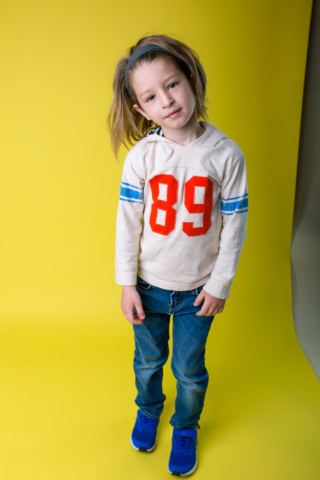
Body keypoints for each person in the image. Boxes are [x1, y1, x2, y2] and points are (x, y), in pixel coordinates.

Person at [107, 34, 248, 477]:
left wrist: (219, 284)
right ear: (140, 110)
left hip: (196, 293)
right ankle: (148, 409)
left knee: (189, 370)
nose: (166, 100)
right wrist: (126, 283)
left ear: (191, 78)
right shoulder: (142, 157)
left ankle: (185, 425)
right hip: (148, 287)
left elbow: (234, 227)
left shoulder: (226, 155)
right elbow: (127, 223)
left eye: (172, 84)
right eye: (151, 96)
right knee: (147, 361)